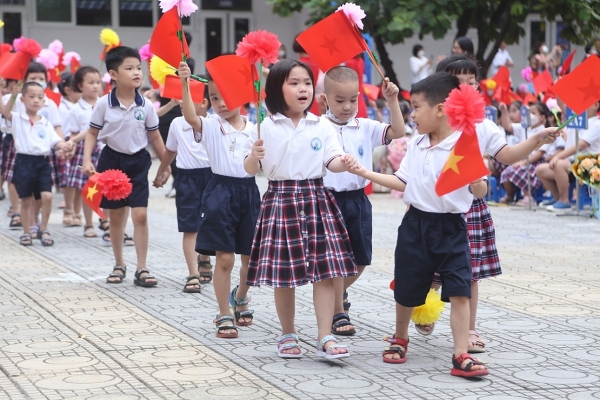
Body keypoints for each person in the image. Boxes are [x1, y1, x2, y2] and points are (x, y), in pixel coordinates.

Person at [343, 72, 559, 377]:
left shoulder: (464, 143)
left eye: (417, 107)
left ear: (440, 109)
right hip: (415, 226)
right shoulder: (416, 143)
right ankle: (400, 337)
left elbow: (481, 189)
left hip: (454, 228)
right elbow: (400, 181)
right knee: (407, 287)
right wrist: (365, 173)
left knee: (460, 291)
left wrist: (476, 180)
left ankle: (460, 355)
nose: (413, 114)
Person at [244, 59, 359, 359]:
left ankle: (325, 336)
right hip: (280, 199)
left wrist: (344, 162)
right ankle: (287, 334)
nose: (302, 89)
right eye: (294, 83)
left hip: (316, 198)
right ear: (276, 89)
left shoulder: (321, 123)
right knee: (286, 275)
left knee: (324, 273)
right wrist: (253, 156)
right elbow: (248, 168)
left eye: (307, 83)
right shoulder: (264, 126)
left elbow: (331, 159)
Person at [319, 66, 406, 336]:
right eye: (339, 100)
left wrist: (392, 100)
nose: (347, 107)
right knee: (332, 260)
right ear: (325, 100)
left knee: (361, 259)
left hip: (357, 201)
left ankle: (339, 293)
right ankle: (338, 312)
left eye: (353, 100)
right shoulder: (318, 127)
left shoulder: (365, 126)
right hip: (327, 201)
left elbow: (398, 131)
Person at [177, 62, 259, 338]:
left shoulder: (256, 129)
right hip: (219, 192)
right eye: (214, 98)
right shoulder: (210, 125)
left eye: (227, 96)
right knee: (225, 259)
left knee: (251, 260)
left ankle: (241, 296)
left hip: (249, 194)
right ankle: (224, 312)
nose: (221, 104)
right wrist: (186, 83)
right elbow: (190, 116)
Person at [81, 46, 169, 287]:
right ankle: (119, 264)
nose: (136, 72)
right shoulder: (103, 104)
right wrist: (88, 159)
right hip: (111, 162)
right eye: (129, 68)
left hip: (138, 162)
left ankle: (142, 268)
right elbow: (91, 133)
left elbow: (156, 138)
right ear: (114, 74)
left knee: (140, 215)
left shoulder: (146, 106)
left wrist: (166, 165)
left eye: (138, 68)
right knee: (117, 217)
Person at [153, 83, 213, 293]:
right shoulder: (177, 124)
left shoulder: (214, 122)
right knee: (190, 227)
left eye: (187, 98)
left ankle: (204, 258)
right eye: (180, 98)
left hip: (212, 177)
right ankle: (193, 273)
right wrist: (162, 170)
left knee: (210, 223)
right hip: (187, 179)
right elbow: (170, 151)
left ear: (204, 103)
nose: (181, 102)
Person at [0, 81, 71, 246]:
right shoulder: (17, 118)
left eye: (40, 97)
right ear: (23, 100)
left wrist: (65, 145)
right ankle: (26, 232)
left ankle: (43, 229)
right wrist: (14, 95)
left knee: (47, 196)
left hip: (42, 163)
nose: (36, 100)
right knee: (25, 200)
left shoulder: (45, 123)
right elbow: (6, 112)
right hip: (23, 162)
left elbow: (55, 141)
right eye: (31, 97)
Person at [536, 99, 600, 209]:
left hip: (591, 164)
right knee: (541, 169)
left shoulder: (597, 124)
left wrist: (558, 156)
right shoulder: (576, 118)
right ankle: (557, 198)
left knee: (559, 164)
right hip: (572, 163)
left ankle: (564, 200)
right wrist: (558, 88)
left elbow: (580, 145)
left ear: (596, 105)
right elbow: (562, 104)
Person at [62, 66, 103, 238]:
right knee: (89, 189)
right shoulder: (76, 110)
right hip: (85, 153)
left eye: (98, 82)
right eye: (91, 82)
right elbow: (73, 132)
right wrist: (71, 146)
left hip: (104, 150)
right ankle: (88, 223)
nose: (95, 86)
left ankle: (106, 221)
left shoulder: (105, 104)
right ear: (80, 85)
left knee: (106, 189)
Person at [498, 101, 552, 205]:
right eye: (529, 112)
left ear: (542, 117)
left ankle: (528, 196)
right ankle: (510, 196)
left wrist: (524, 163)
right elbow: (508, 126)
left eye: (533, 112)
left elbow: (539, 153)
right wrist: (504, 111)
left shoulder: (545, 131)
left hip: (535, 162)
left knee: (521, 171)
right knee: (506, 172)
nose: (530, 115)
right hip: (523, 161)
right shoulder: (524, 128)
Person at [57, 71, 81, 227]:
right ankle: (68, 210)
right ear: (68, 90)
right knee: (68, 181)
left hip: (80, 143)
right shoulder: (60, 106)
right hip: (64, 143)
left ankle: (77, 212)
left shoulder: (82, 106)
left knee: (79, 181)